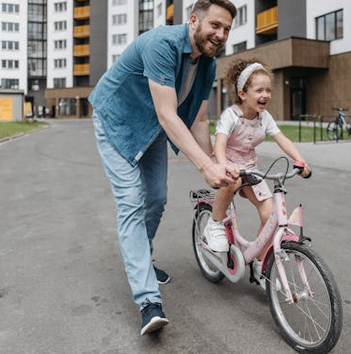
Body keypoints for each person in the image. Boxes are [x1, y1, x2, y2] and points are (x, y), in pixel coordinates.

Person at [88, 0, 238, 336]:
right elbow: (169, 114)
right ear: (194, 19)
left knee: (156, 197)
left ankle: (144, 259)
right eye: (215, 25)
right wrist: (204, 168)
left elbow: (199, 119)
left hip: (152, 126)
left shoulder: (209, 64)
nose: (220, 34)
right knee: (131, 201)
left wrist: (217, 164)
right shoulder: (163, 44)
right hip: (116, 120)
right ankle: (148, 302)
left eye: (226, 29)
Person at [203, 58, 311, 288]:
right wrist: (224, 165)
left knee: (270, 214)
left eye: (268, 90)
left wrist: (299, 160)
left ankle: (260, 261)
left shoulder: (265, 117)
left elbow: (282, 138)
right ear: (243, 94)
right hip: (228, 162)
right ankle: (214, 223)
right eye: (259, 90)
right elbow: (220, 143)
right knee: (230, 183)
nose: (266, 94)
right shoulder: (231, 115)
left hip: (250, 167)